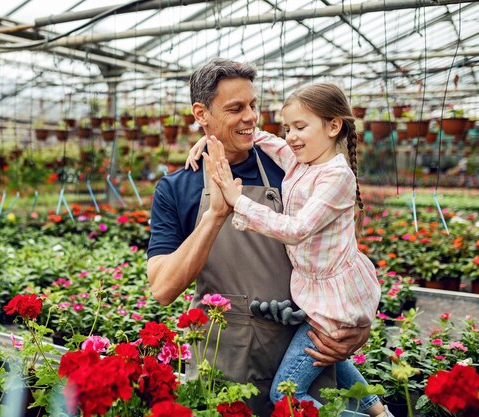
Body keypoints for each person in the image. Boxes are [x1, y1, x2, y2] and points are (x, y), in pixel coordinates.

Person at [147, 58, 370, 416]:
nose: (251, 117)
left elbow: (339, 250)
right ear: (200, 113)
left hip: (299, 348)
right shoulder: (177, 187)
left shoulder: (293, 168)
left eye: (253, 105)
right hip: (221, 358)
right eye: (236, 108)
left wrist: (357, 326)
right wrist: (216, 215)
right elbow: (162, 289)